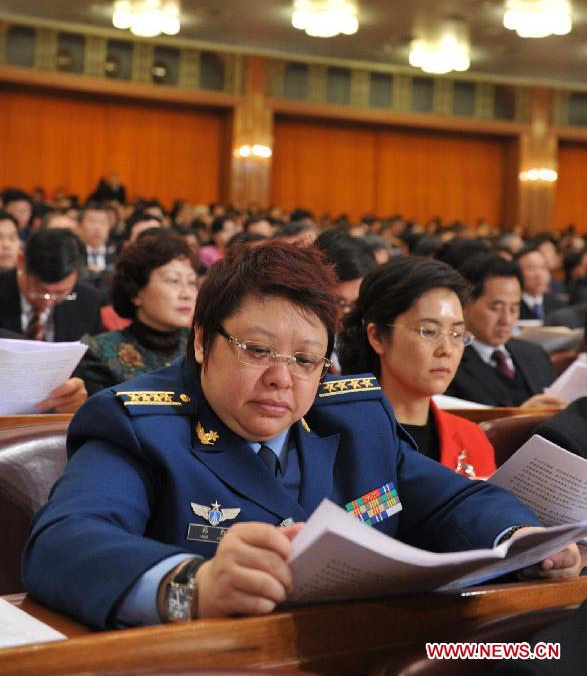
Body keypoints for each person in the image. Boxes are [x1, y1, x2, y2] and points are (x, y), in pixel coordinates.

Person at [23, 241, 580, 631]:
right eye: (257, 350)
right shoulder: (142, 428)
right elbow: (62, 541)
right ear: (200, 342)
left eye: (307, 359)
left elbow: (456, 499)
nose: (281, 378)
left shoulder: (353, 419)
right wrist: (193, 586)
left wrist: (525, 543)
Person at [338, 256, 496, 478]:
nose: (447, 350)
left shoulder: (471, 439)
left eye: (457, 334)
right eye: (429, 331)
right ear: (378, 337)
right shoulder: (341, 435)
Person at [75, 231, 198, 396]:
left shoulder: (203, 347)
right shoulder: (100, 354)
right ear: (136, 292)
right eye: (173, 281)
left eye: (191, 282)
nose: (187, 294)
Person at [0, 228, 101, 413]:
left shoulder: (87, 301)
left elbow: (94, 369)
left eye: (61, 293)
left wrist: (78, 392)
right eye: (40, 289)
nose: (48, 300)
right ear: (21, 261)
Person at [446, 254, 565, 409]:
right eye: (496, 308)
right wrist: (520, 416)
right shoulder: (449, 362)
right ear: (466, 304)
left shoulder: (535, 354)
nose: (506, 320)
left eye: (514, 308)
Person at [515, 245, 566, 321]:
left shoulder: (559, 306)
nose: (539, 274)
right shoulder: (514, 307)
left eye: (543, 268)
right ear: (518, 273)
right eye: (532, 269)